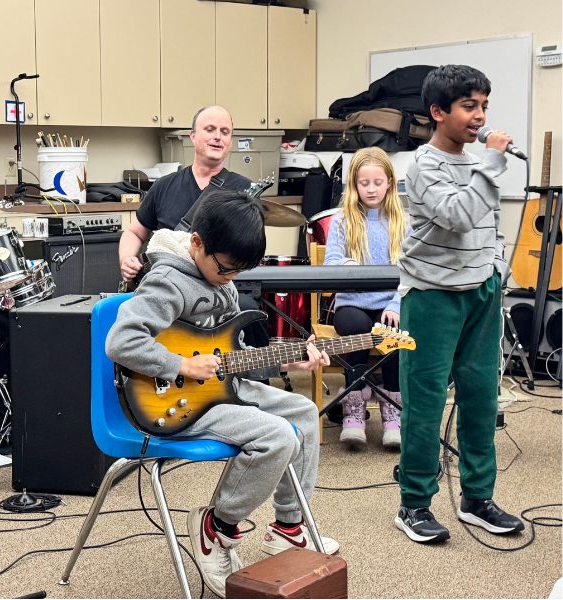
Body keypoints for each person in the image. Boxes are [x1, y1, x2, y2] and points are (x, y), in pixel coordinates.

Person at [106, 190, 339, 598]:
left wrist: (290, 362)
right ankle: (217, 525)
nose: (231, 278)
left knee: (302, 412)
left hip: (222, 388)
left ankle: (287, 528)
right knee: (276, 436)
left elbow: (232, 354)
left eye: (240, 271)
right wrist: (180, 365)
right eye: (227, 268)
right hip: (174, 403)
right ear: (197, 243)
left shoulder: (222, 281)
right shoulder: (167, 281)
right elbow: (120, 341)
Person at [395, 64, 524, 544]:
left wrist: (495, 268)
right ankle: (413, 504)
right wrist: (492, 162)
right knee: (425, 403)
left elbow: (488, 223)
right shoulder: (422, 166)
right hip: (432, 295)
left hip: (481, 292)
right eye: (469, 106)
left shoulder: (478, 164)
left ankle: (477, 498)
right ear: (438, 111)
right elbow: (458, 216)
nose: (480, 116)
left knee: (481, 398)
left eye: (484, 106)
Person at [323, 147, 409, 450]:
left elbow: (411, 273)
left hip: (389, 303)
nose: (371, 189)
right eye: (364, 183)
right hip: (353, 303)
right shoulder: (343, 220)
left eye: (377, 182)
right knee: (355, 326)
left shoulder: (403, 222)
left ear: (390, 183)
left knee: (395, 331)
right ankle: (354, 409)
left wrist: (395, 304)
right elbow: (331, 263)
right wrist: (346, 265)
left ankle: (393, 412)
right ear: (354, 185)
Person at [118, 105, 250, 284]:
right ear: (193, 136)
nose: (218, 136)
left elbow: (248, 250)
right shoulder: (163, 186)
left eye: (225, 132)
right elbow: (134, 232)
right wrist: (127, 259)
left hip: (220, 289)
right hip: (167, 287)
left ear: (230, 141)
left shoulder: (245, 190)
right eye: (210, 129)